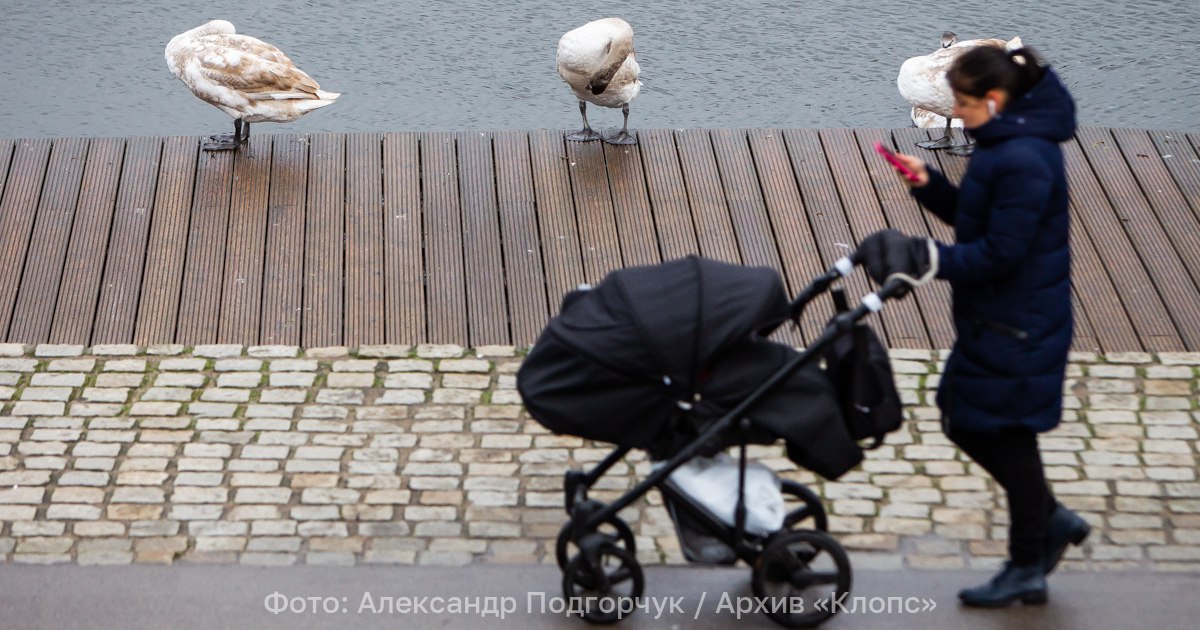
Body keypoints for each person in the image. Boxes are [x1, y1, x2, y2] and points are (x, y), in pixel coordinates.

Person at [855, 45, 1091, 607]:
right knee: (962, 415)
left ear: (993, 98)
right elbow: (978, 218)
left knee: (1009, 438)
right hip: (998, 318)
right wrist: (929, 184)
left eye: (962, 102)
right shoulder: (1002, 142)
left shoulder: (1026, 157)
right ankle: (1049, 519)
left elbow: (1001, 254)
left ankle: (1027, 563)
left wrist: (929, 260)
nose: (955, 113)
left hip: (1021, 323)